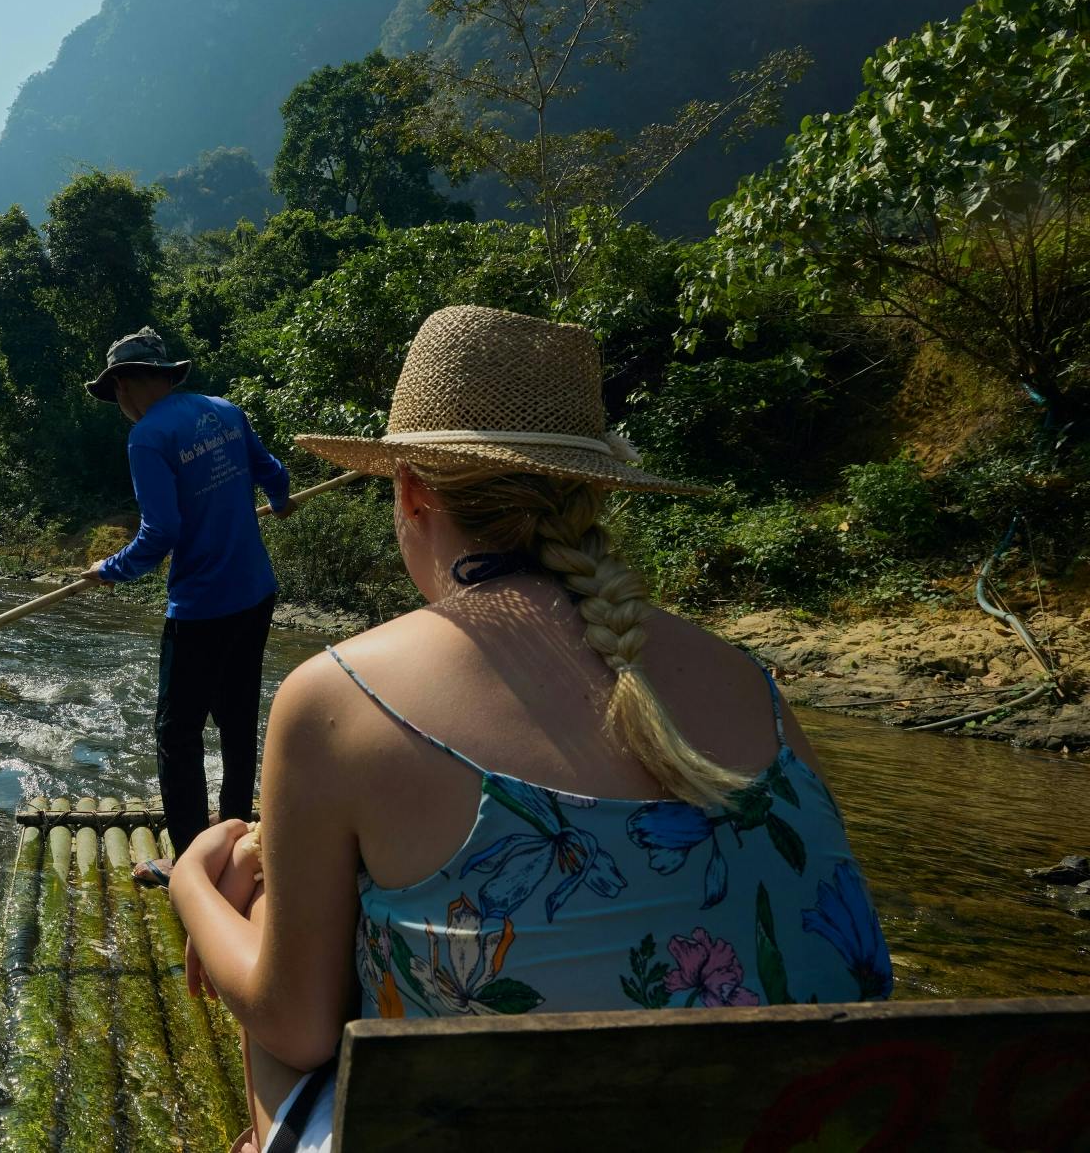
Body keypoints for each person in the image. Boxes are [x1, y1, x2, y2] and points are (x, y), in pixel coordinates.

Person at [169, 306, 893, 1153]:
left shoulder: (339, 695)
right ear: (593, 493)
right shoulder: (750, 680)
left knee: (263, 928)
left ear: (409, 491)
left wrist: (194, 882)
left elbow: (298, 1032)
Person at [86, 325, 294, 886]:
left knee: (177, 736)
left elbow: (162, 532)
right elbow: (272, 471)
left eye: (116, 395)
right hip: (255, 593)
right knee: (236, 717)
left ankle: (188, 862)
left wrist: (112, 569)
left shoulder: (148, 437)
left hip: (202, 607)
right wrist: (279, 502)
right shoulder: (224, 410)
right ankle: (234, 834)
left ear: (126, 384)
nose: (119, 406)